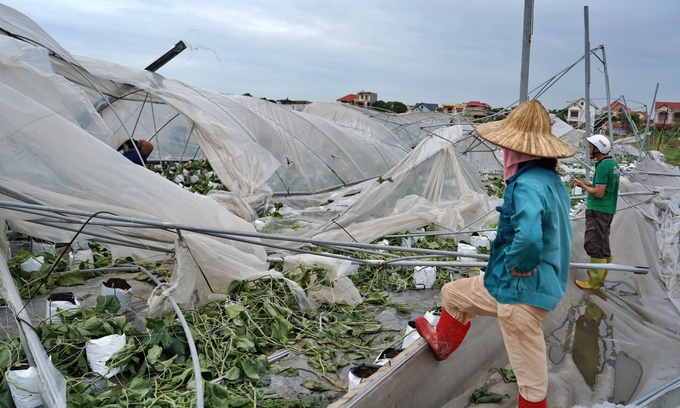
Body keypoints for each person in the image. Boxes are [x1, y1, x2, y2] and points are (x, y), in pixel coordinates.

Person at [415, 100, 576, 408]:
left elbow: (529, 237)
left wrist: (518, 263)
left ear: (515, 151)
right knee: (454, 294)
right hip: (516, 285)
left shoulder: (526, 185)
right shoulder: (551, 180)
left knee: (531, 383)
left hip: (520, 296)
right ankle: (442, 344)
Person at [572, 134, 620, 290]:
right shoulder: (612, 163)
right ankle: (601, 276)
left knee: (594, 242)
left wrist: (584, 187)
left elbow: (599, 193)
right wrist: (589, 183)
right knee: (603, 242)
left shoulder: (602, 166)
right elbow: (604, 187)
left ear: (598, 149)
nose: (589, 149)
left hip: (598, 210)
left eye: (591, 146)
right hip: (607, 209)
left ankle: (593, 281)